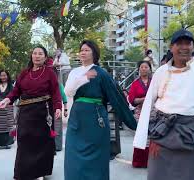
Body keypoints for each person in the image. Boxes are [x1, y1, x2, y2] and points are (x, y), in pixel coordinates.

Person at [133, 29, 194, 180]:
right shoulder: (161, 72)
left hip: (191, 134)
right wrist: (144, 139)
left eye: (188, 43)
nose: (184, 47)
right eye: (179, 43)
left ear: (193, 47)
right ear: (171, 47)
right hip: (161, 134)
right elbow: (148, 106)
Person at [64, 40, 137, 180]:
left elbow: (117, 99)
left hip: (96, 121)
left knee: (96, 159)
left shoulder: (101, 73)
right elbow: (68, 91)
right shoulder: (75, 72)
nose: (83, 52)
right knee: (73, 156)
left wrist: (133, 123)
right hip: (77, 120)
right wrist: (84, 78)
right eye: (82, 50)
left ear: (94, 53)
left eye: (87, 50)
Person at [0, 46, 62, 180]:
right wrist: (7, 99)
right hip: (26, 112)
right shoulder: (24, 73)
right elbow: (16, 91)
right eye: (34, 53)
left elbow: (56, 91)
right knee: (25, 141)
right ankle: (24, 172)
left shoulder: (50, 72)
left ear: (45, 57)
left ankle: (39, 172)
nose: (37, 56)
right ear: (31, 56)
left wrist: (58, 107)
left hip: (43, 111)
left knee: (41, 142)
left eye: (40, 54)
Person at [128, 61, 152, 168]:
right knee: (141, 135)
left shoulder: (154, 82)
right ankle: (139, 162)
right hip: (140, 112)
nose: (144, 69)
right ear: (139, 69)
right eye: (142, 67)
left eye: (146, 67)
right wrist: (144, 99)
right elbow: (132, 99)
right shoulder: (135, 83)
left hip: (153, 112)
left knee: (152, 136)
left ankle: (151, 162)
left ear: (149, 69)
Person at [54, 82, 68, 151]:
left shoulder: (59, 84)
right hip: (49, 109)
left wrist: (65, 109)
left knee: (57, 128)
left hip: (56, 109)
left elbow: (64, 97)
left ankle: (57, 146)